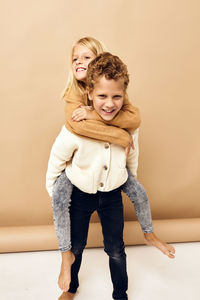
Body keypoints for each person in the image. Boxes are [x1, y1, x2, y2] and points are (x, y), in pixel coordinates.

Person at [50, 37, 175, 293]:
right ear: (90, 93)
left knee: (116, 248)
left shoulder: (125, 116)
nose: (110, 102)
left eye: (116, 96)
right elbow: (58, 157)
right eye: (76, 58)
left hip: (111, 195)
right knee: (76, 245)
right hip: (81, 192)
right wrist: (55, 190)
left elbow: (132, 156)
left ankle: (121, 292)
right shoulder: (77, 114)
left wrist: (126, 176)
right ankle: (70, 287)